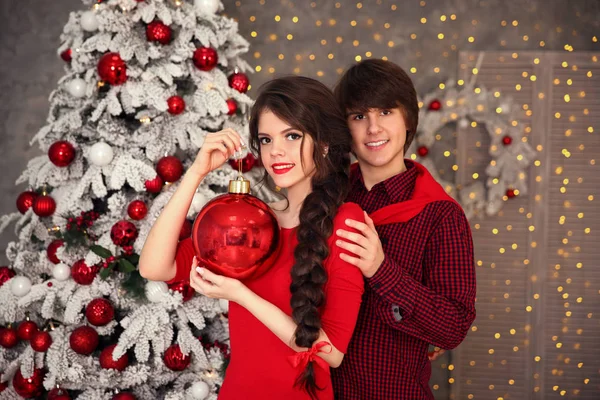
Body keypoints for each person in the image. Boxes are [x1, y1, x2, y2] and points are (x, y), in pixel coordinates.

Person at [139, 76, 365, 400]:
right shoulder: (252, 219)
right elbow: (153, 267)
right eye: (266, 139)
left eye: (292, 135)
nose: (277, 152)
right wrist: (196, 173)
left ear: (325, 142)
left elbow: (331, 351)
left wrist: (241, 295)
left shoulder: (345, 221)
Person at [330, 59, 477, 399]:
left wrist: (380, 270)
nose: (373, 128)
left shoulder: (440, 215)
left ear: (408, 119)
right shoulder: (325, 198)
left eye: (385, 112)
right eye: (358, 116)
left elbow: (453, 326)